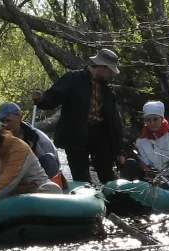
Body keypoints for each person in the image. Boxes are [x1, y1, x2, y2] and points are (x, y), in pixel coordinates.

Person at [31, 48, 124, 184]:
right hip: (75, 135)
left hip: (101, 136)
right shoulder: (73, 79)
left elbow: (115, 121)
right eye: (109, 70)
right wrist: (41, 100)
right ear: (101, 67)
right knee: (81, 179)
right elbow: (53, 97)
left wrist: (119, 150)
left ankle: (111, 203)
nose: (111, 74)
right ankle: (86, 203)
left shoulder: (107, 90)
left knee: (108, 177)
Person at [120, 100, 169, 191]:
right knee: (129, 163)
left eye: (155, 119)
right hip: (153, 181)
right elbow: (143, 164)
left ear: (162, 119)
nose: (152, 123)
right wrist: (150, 174)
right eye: (149, 120)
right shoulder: (140, 141)